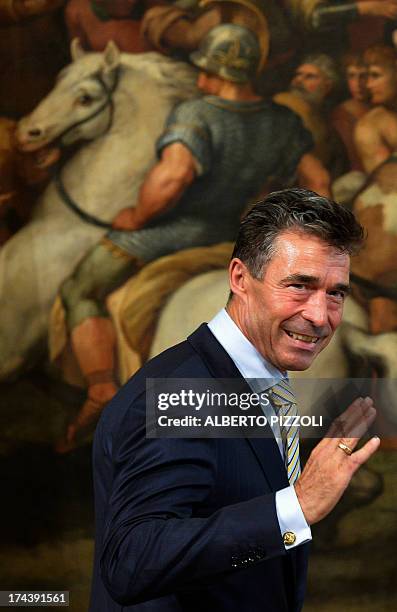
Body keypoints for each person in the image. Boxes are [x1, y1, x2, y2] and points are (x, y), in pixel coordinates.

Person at [89, 187, 380, 611]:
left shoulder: (256, 381)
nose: (321, 316)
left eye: (336, 293)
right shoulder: (185, 394)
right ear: (240, 278)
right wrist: (295, 506)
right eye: (299, 285)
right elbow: (133, 562)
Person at [57, 24, 329, 450]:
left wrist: (136, 214)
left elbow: (173, 178)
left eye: (204, 68)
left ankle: (99, 389)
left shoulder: (197, 113)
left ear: (215, 69)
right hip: (236, 236)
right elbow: (319, 180)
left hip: (177, 234)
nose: (200, 78)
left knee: (79, 287)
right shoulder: (283, 121)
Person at [273, 54, 344, 172]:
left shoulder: (326, 119)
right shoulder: (284, 101)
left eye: (309, 76)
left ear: (327, 86)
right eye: (298, 74)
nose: (298, 80)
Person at [354, 44, 397, 173]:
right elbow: (387, 184)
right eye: (367, 77)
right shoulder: (368, 126)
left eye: (375, 75)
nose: (368, 85)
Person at [331, 52, 369, 171]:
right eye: (351, 76)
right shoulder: (343, 113)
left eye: (363, 76)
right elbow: (355, 163)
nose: (357, 83)